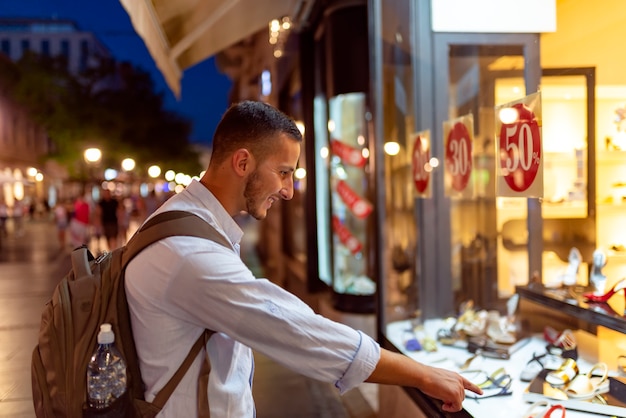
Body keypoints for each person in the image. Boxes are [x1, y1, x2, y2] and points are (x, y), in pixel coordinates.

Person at [125, 101, 481, 417]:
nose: (289, 190)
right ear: (243, 162)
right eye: (283, 172)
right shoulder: (191, 253)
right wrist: (422, 374)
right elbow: (295, 329)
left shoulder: (186, 221)